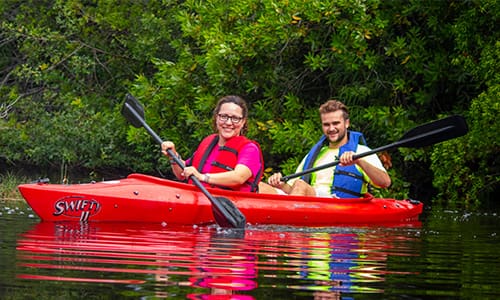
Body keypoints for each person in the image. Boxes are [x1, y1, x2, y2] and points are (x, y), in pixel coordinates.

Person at [266, 99, 391, 198]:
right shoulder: (316, 153)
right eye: (326, 124)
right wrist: (281, 185)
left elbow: (385, 183)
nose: (331, 129)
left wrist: (359, 161)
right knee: (261, 187)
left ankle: (289, 227)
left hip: (337, 204)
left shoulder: (361, 151)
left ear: (346, 123)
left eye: (336, 123)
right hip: (310, 201)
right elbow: (292, 191)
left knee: (300, 185)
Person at [161, 95, 264, 192]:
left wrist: (202, 177)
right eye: (223, 116)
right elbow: (182, 174)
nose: (228, 123)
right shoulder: (208, 143)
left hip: (228, 206)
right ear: (216, 118)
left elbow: (239, 177)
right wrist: (173, 156)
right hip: (197, 200)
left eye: (235, 118)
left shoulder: (249, 149)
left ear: (243, 122)